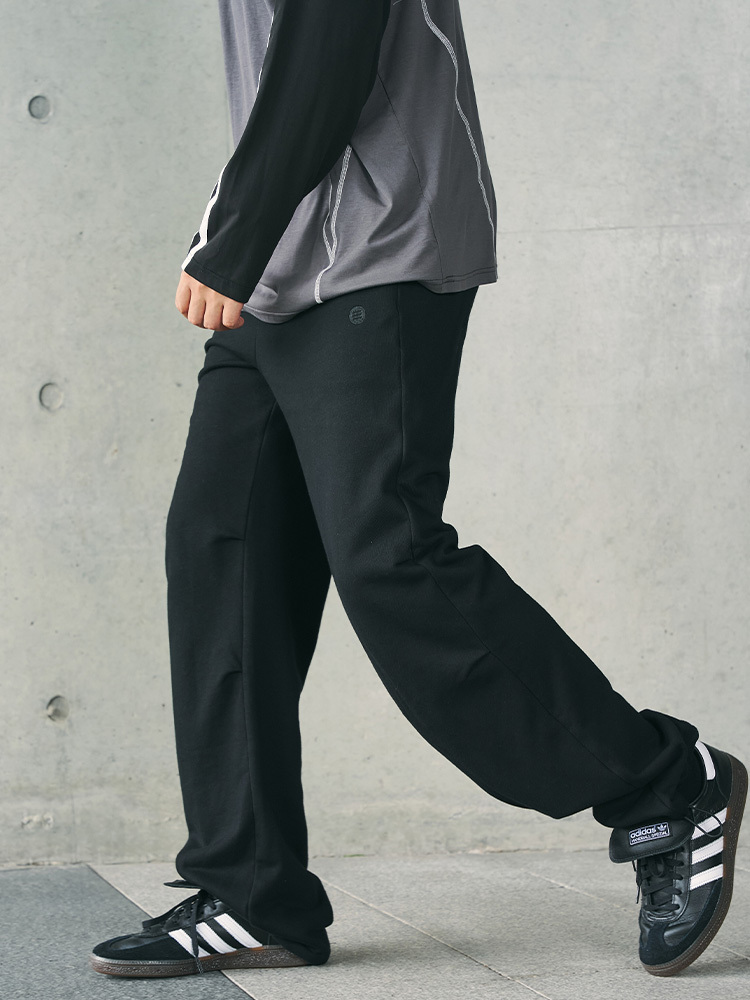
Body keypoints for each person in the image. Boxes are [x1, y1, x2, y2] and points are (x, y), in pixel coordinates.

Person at [90, 0, 746, 982]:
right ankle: (251, 893)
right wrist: (240, 230)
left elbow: (331, 41)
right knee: (221, 552)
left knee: (387, 555)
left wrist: (233, 232)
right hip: (275, 263)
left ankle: (664, 784)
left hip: (375, 245)